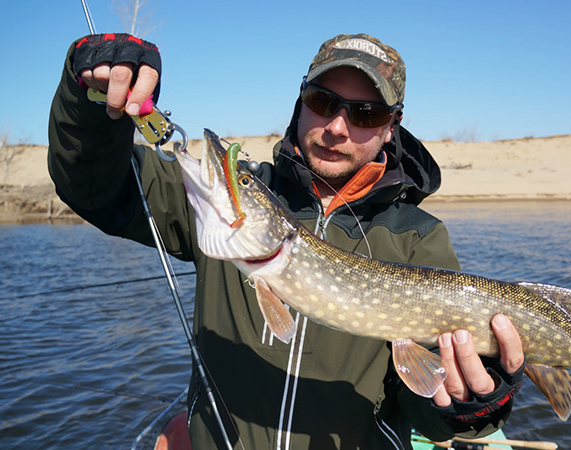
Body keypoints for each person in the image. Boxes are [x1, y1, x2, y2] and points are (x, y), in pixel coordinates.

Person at [48, 33, 526, 450]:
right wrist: (89, 100)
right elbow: (92, 184)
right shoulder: (226, 211)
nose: (337, 127)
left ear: (389, 127)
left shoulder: (417, 238)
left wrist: (471, 407)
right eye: (323, 102)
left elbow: (423, 405)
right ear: (301, 102)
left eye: (365, 112)